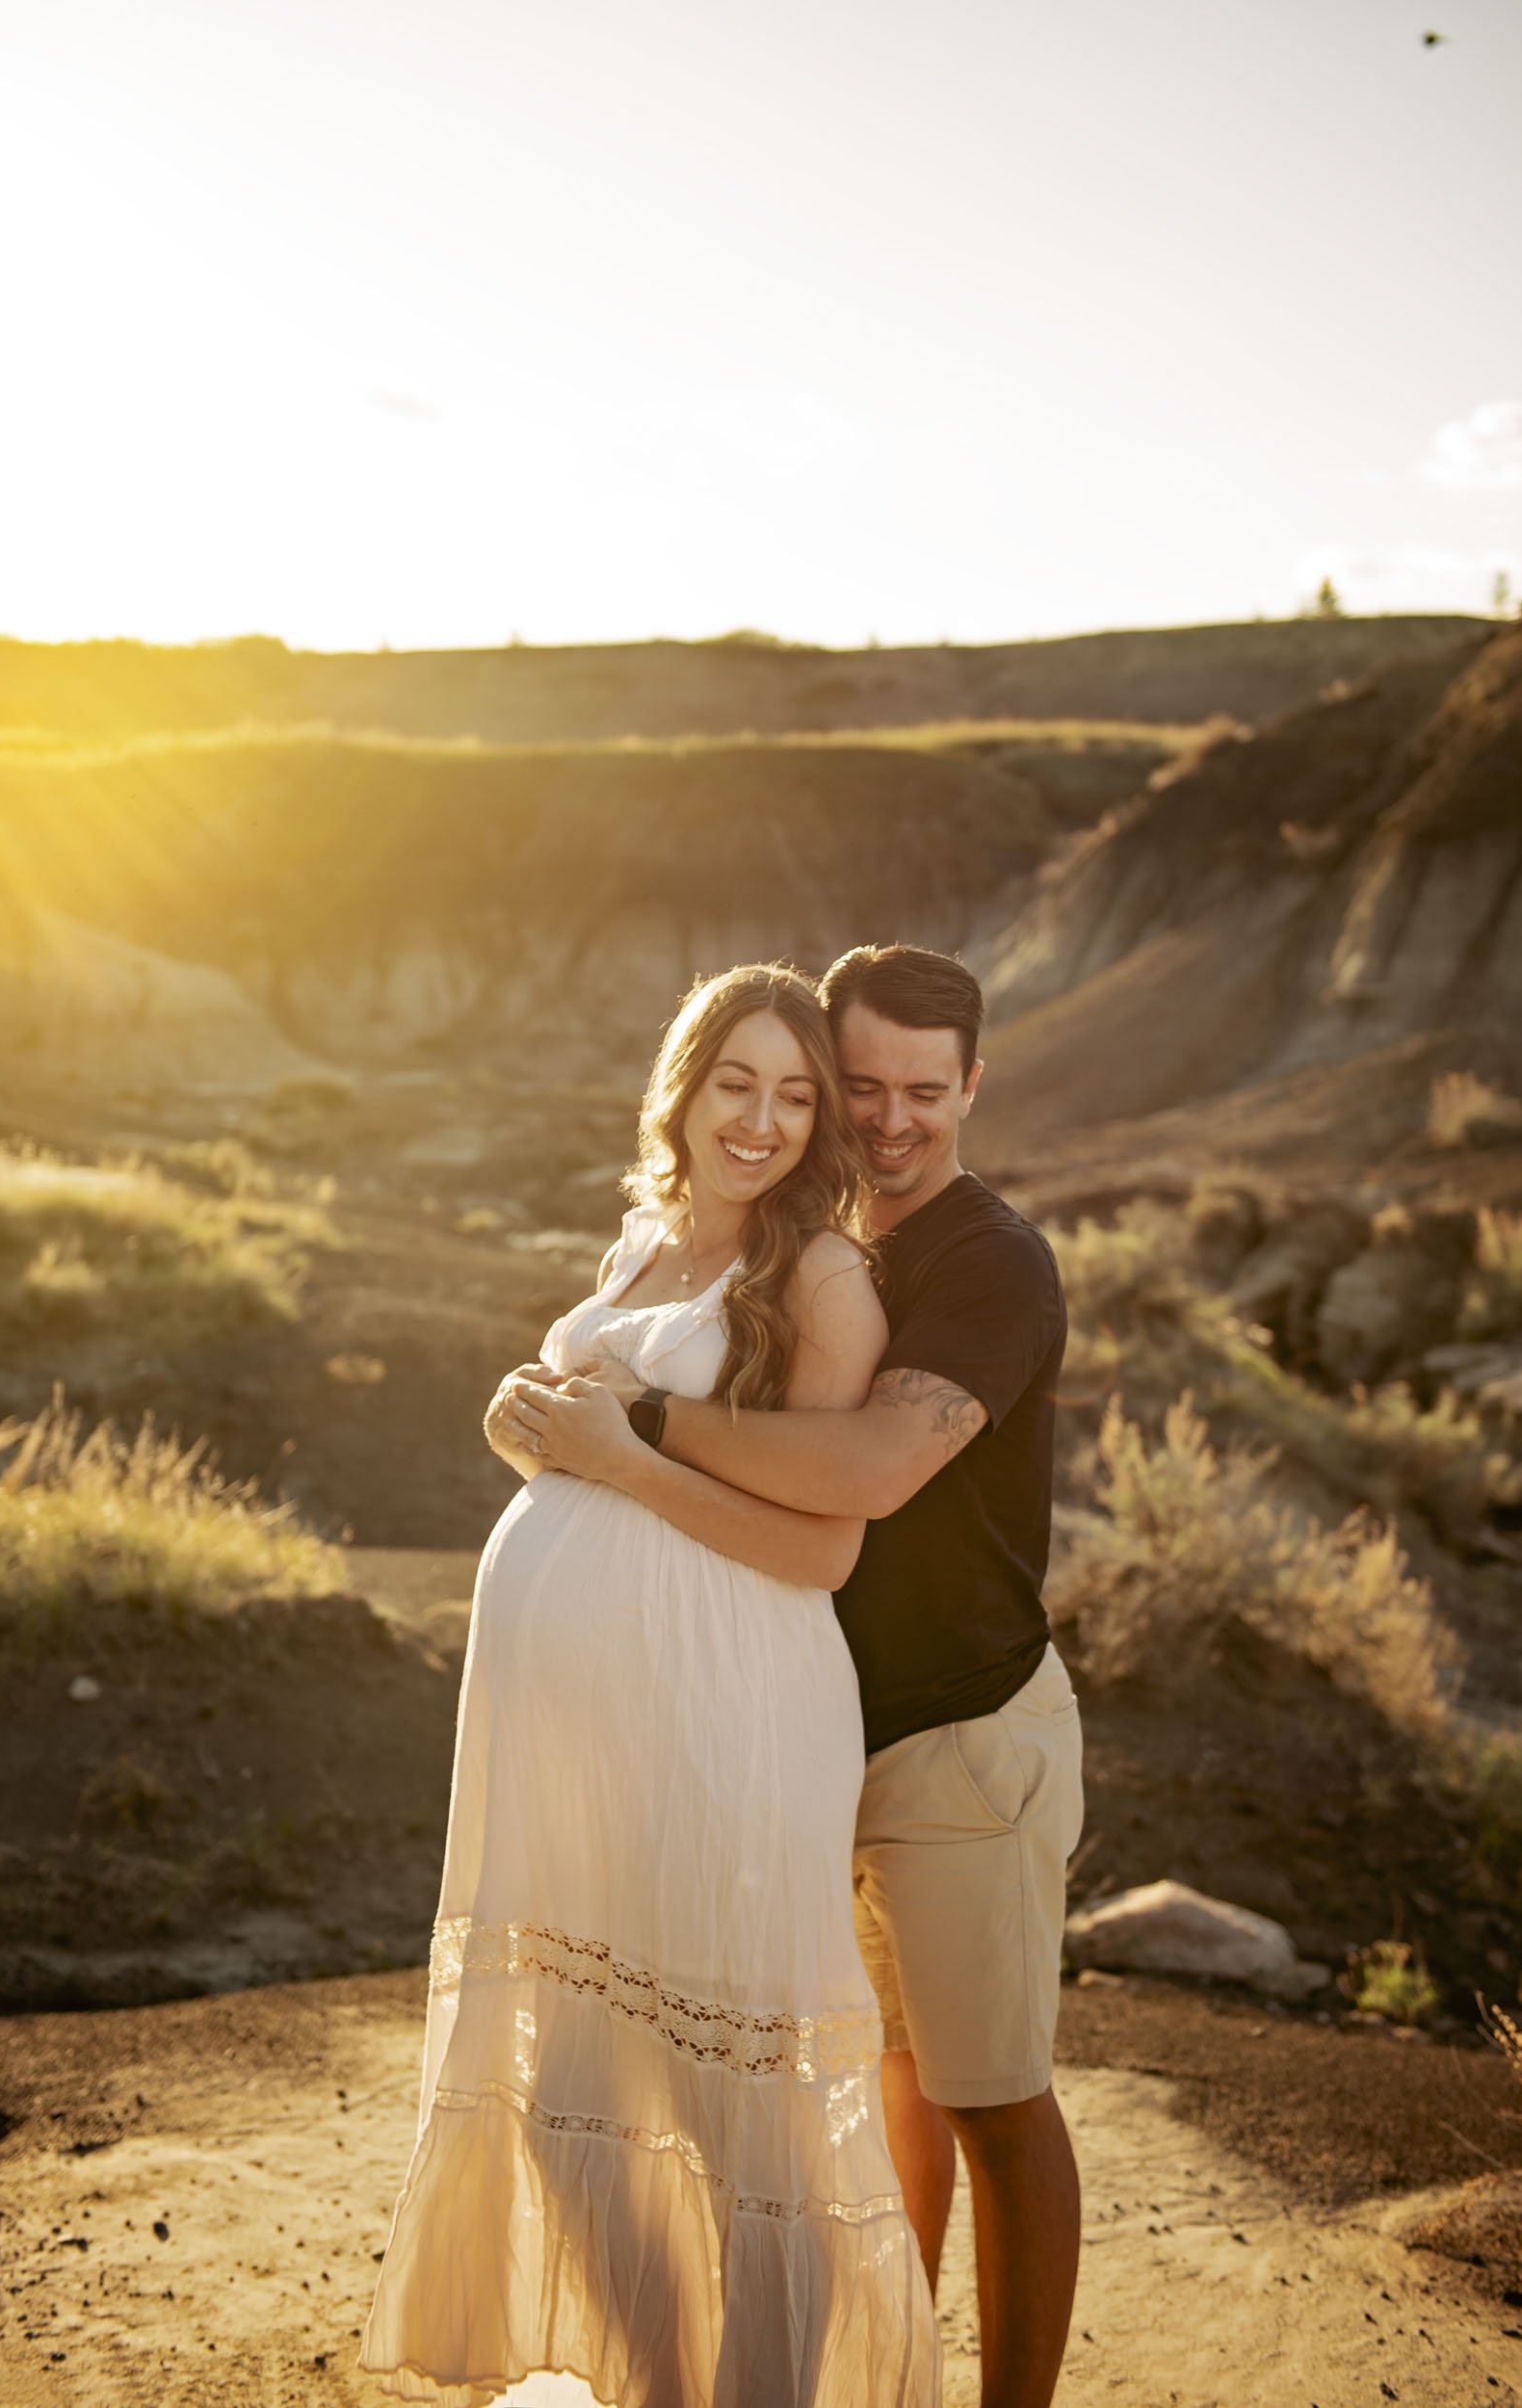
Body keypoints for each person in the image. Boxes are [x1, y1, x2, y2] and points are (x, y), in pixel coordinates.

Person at [357, 962, 942, 2408]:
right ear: (683, 1088)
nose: (763, 1120)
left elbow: (820, 1547)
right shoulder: (644, 1240)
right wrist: (531, 1432)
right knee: (572, 2091)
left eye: (797, 1097)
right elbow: (612, 1459)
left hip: (729, 1710)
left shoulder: (819, 1278)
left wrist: (617, 1459)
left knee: (740, 2110)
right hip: (573, 1737)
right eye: (737, 1083)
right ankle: (661, 2388)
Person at [508, 946, 1081, 2408]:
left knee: (988, 2097)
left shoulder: (986, 1261)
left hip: (956, 1732)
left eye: (924, 1093)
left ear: (972, 1091)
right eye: (865, 1087)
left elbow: (873, 1472)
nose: (893, 1120)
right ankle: (886, 2374)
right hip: (785, 1728)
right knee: (872, 2080)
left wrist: (636, 1424)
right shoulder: (797, 1235)